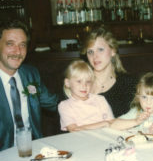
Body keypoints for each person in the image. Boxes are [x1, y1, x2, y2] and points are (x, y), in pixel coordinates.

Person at [0, 20, 58, 151]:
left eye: (22, 45)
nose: (18, 51)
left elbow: (53, 103)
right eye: (10, 44)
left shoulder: (30, 74)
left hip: (32, 149)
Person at [80, 27, 138, 118]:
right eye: (90, 52)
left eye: (100, 49)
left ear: (113, 51)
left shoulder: (129, 83)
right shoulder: (79, 83)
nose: (95, 56)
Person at [58, 60, 114, 132]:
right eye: (79, 81)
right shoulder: (65, 106)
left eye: (88, 82)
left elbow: (112, 123)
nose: (84, 86)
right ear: (67, 83)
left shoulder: (100, 100)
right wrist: (104, 123)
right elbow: (74, 129)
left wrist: (107, 124)